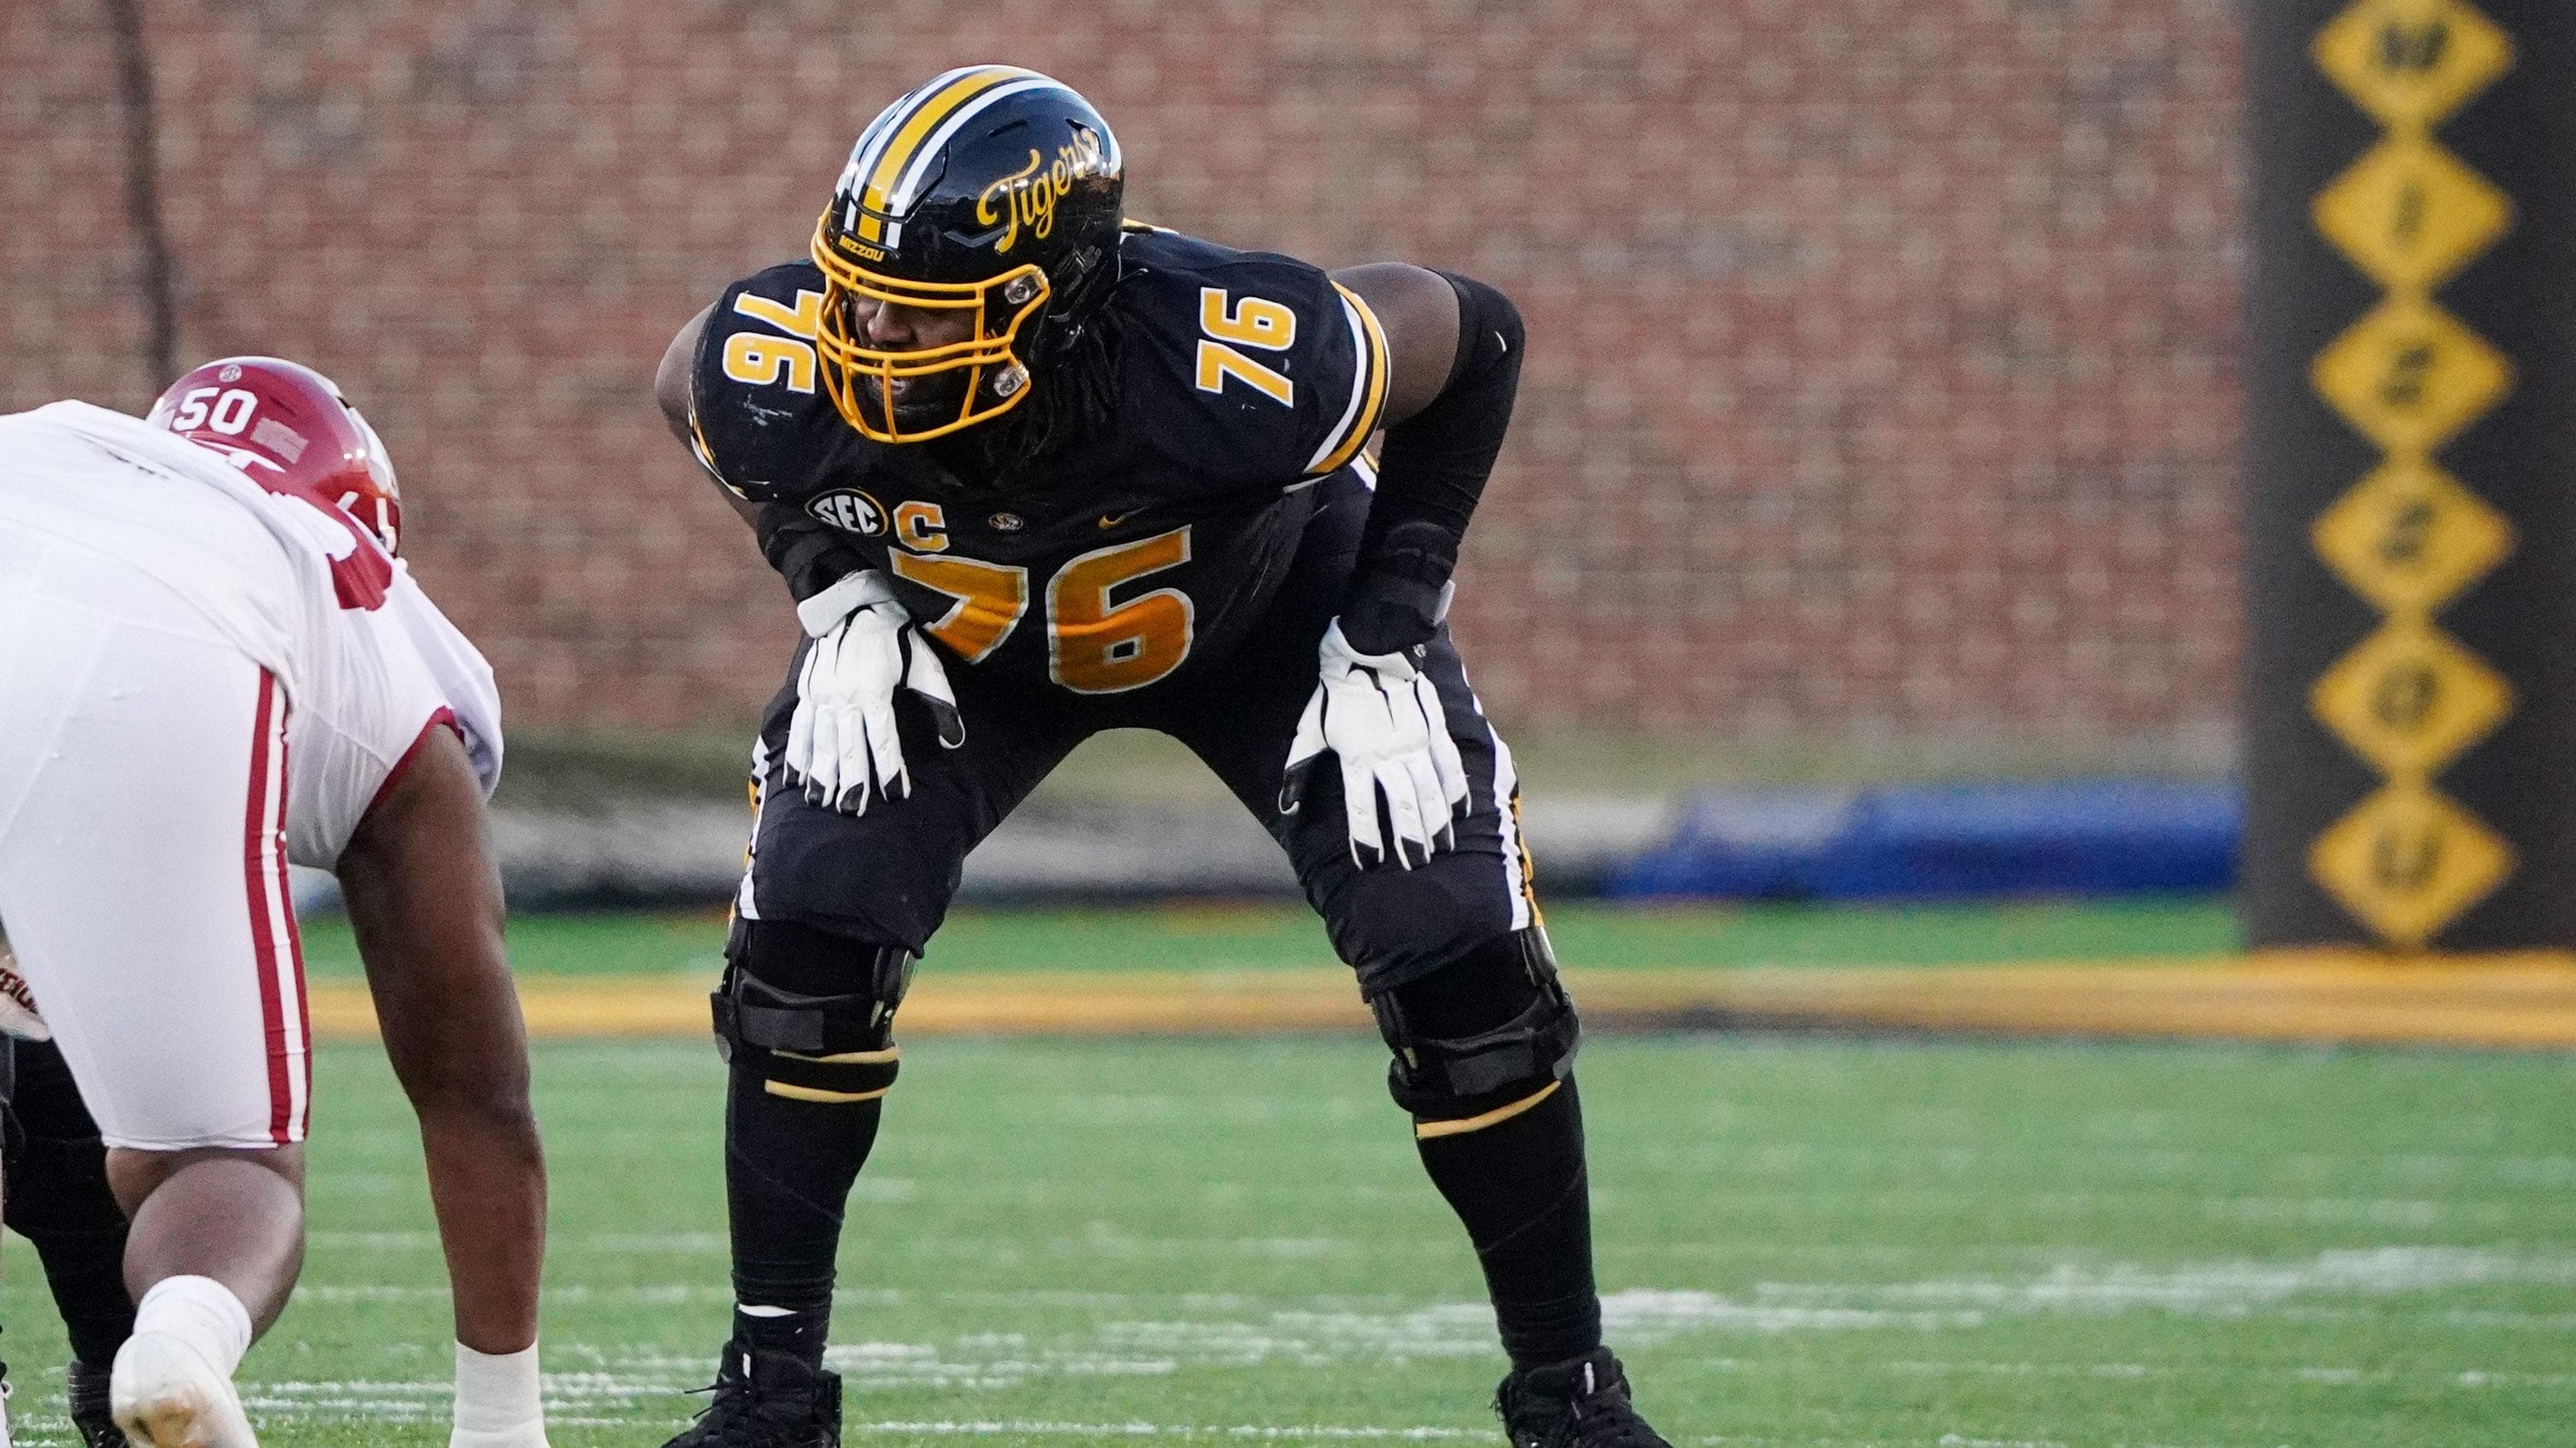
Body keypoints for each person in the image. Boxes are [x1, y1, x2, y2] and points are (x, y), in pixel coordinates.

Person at [653, 66, 1670, 1448]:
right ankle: (772, 1397)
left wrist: (1388, 619)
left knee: (1460, 958)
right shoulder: (786, 363)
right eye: (861, 295)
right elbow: (691, 390)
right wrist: (828, 579)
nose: (874, 335)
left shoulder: (1230, 350)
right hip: (961, 634)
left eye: (927, 311)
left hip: (1260, 618)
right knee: (804, 949)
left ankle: (1569, 1399)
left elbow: (1472, 335)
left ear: (1052, 298)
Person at [0, 360, 552, 1448]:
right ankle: (179, 1336)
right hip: (159, 657)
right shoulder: (357, 600)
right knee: (219, 1161)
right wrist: (502, 1422)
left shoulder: (73, 448)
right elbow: (475, 1092)